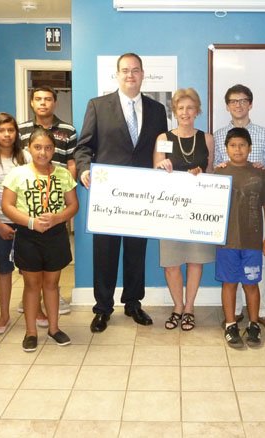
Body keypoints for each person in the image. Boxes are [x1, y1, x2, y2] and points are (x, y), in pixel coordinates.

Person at [74, 53, 168, 333]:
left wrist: (167, 166)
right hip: (108, 196)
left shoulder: (157, 110)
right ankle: (103, 308)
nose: (130, 75)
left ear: (143, 74)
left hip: (142, 195)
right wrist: (83, 170)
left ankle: (133, 303)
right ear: (117, 75)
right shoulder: (98, 106)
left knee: (136, 251)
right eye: (125, 70)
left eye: (136, 70)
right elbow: (84, 147)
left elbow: (161, 148)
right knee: (105, 252)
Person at [2, 128, 79, 352]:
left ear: (54, 150)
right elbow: (7, 206)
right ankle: (31, 332)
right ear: (29, 148)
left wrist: (57, 218)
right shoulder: (17, 174)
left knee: (52, 284)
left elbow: (73, 205)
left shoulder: (63, 174)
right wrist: (30, 222)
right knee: (32, 285)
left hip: (55, 236)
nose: (43, 152)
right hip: (28, 236)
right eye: (37, 147)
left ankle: (54, 328)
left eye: (47, 148)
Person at [213, 84, 265, 332]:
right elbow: (217, 169)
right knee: (231, 275)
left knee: (257, 270)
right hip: (230, 221)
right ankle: (235, 315)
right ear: (227, 105)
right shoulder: (220, 135)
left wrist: (261, 170)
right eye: (233, 101)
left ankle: (262, 313)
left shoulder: (264, 133)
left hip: (253, 211)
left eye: (243, 100)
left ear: (250, 103)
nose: (238, 105)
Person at [154, 88, 215, 331]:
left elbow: (212, 172)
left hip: (198, 210)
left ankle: (189, 308)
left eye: (190, 108)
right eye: (180, 108)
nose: (185, 112)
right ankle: (177, 306)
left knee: (195, 260)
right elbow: (155, 171)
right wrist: (162, 165)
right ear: (174, 111)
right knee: (171, 263)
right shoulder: (164, 138)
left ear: (197, 110)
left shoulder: (207, 138)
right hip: (170, 209)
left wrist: (203, 174)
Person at [18, 85, 76, 315]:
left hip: (57, 200)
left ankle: (53, 296)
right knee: (30, 255)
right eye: (38, 99)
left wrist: (63, 190)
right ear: (32, 103)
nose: (43, 103)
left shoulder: (68, 130)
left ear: (55, 103)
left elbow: (72, 162)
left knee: (54, 255)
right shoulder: (20, 129)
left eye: (48, 99)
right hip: (28, 202)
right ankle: (31, 299)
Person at [215, 127, 265, 348]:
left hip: (253, 241)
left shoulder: (259, 174)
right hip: (226, 242)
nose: (237, 149)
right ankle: (231, 324)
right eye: (232, 145)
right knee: (229, 283)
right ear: (226, 148)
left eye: (242, 145)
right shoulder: (218, 173)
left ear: (250, 148)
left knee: (251, 283)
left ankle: (254, 323)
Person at [0, 112, 32, 335]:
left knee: (30, 270)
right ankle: (4, 314)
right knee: (4, 269)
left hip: (25, 223)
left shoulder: (26, 157)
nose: (7, 135)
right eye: (2, 130)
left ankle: (36, 309)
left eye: (11, 130)